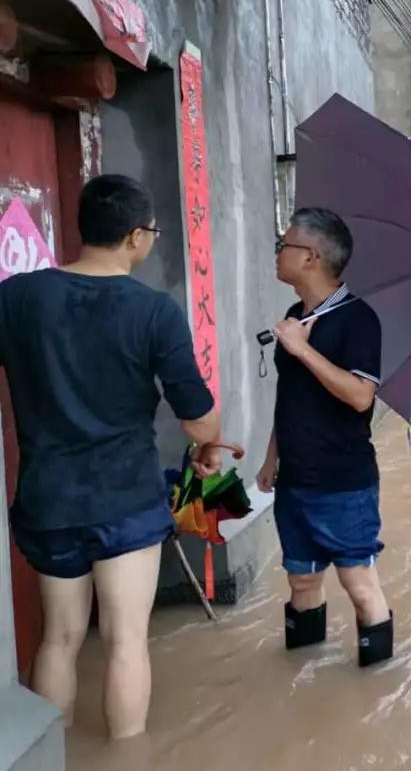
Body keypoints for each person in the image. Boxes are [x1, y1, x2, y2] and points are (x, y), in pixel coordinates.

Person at [0, 174, 220, 740]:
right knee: (125, 642)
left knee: (59, 638)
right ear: (135, 237)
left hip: (48, 500)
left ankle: (49, 757)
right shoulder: (153, 311)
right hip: (125, 501)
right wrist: (208, 443)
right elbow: (198, 417)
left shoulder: (17, 298)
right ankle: (126, 758)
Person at [256, 207, 392, 667]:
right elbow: (290, 395)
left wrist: (302, 349)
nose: (277, 253)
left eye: (284, 245)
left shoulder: (359, 319)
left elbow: (360, 397)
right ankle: (301, 678)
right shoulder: (296, 315)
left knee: (359, 584)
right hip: (295, 479)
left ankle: (376, 686)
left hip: (343, 483)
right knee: (301, 582)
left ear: (310, 256)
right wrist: (271, 457)